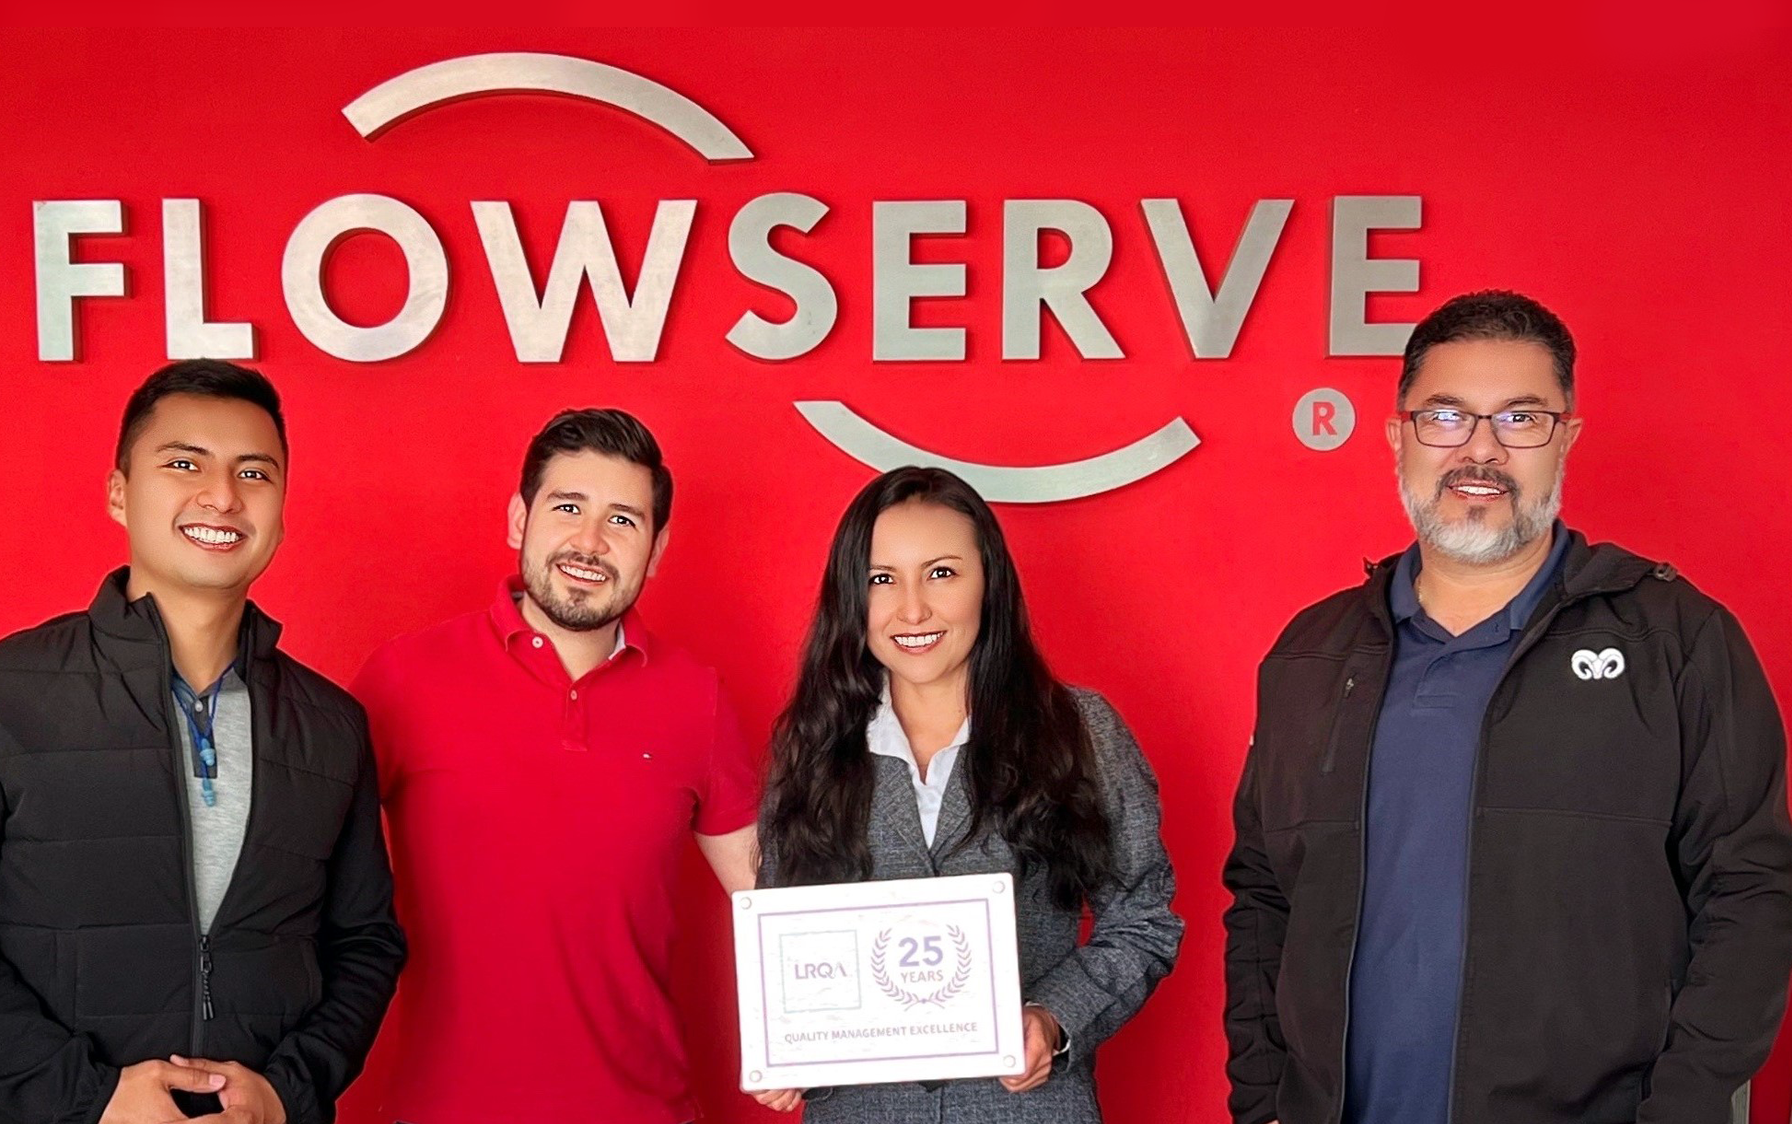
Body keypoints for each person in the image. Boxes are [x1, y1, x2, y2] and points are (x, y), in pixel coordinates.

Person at [1223, 290, 1792, 1124]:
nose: (1480, 450)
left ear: (1566, 437)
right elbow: (1264, 898)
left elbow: (1749, 891)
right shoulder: (1311, 654)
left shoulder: (1675, 638)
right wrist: (1264, 1101)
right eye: (1445, 417)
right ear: (1399, 437)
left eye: (1520, 419)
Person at [0, 360, 406, 1124]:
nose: (222, 495)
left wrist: (286, 1093)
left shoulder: (331, 724)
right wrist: (89, 1097)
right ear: (119, 492)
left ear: (281, 509)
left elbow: (365, 942)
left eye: (253, 472)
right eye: (184, 463)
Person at [351, 407, 760, 1124]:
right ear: (519, 519)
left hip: (642, 1112)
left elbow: (771, 896)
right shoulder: (403, 678)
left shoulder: (697, 697)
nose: (590, 541)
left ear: (657, 549)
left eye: (623, 520)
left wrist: (810, 1037)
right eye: (568, 507)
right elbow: (299, 872)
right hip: (442, 1110)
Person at [753, 465, 1182, 1122]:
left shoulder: (1077, 731)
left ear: (989, 583)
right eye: (881, 579)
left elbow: (1143, 920)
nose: (912, 608)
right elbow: (792, 947)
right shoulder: (810, 748)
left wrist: (1053, 1017)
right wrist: (789, 1044)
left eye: (941, 573)